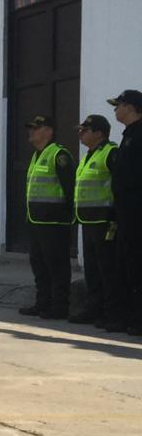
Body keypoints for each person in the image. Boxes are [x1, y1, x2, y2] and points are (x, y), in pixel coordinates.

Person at [69, 115, 124, 328]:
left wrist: (117, 218)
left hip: (105, 220)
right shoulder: (89, 156)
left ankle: (112, 313)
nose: (80, 134)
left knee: (107, 269)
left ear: (99, 133)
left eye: (85, 130)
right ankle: (94, 309)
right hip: (88, 220)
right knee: (92, 269)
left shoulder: (111, 153)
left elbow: (120, 186)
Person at [18, 115, 75, 320]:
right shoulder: (37, 155)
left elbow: (70, 189)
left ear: (48, 132)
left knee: (56, 265)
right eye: (30, 128)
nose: (31, 132)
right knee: (39, 264)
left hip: (54, 222)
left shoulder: (59, 155)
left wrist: (68, 217)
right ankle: (43, 302)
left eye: (36, 128)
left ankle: (59, 306)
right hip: (36, 220)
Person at [109, 90, 142, 335]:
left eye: (118, 105)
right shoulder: (129, 135)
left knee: (137, 266)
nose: (115, 110)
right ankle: (128, 316)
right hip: (126, 213)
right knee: (126, 266)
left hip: (137, 212)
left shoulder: (139, 135)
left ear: (130, 107)